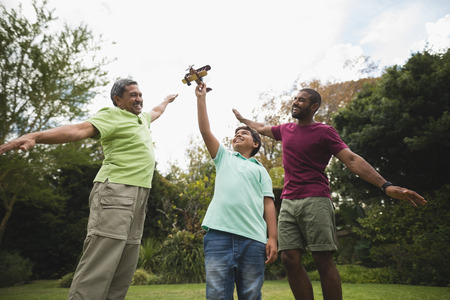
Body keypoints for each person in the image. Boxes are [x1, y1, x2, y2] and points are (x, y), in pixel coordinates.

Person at [232, 88, 427, 300]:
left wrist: (386, 185)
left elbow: (351, 159)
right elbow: (261, 127)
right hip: (289, 200)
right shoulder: (285, 129)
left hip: (316, 198)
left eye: (302, 100)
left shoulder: (325, 132)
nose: (296, 102)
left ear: (314, 107)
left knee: (322, 259)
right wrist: (244, 119)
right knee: (288, 258)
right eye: (295, 99)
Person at [0, 78, 178, 300]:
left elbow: (156, 112)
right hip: (117, 192)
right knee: (100, 262)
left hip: (140, 195)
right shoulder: (112, 115)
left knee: (125, 264)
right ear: (118, 100)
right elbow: (78, 130)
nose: (138, 98)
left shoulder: (141, 119)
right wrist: (36, 136)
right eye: (133, 95)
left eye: (140, 94)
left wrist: (167, 100)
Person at [195, 83, 278, 300]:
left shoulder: (261, 171)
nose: (238, 135)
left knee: (250, 294)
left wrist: (273, 238)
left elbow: (268, 204)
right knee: (217, 294)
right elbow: (205, 131)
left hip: (253, 239)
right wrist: (201, 99)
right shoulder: (223, 158)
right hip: (218, 236)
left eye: (244, 133)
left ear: (256, 143)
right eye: (235, 134)